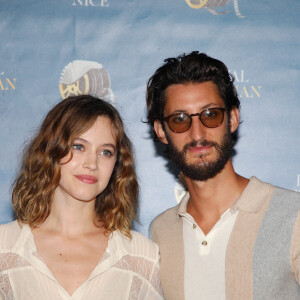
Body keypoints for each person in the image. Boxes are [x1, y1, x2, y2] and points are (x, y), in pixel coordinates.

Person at [146, 51, 300, 300]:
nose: (197, 134)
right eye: (179, 119)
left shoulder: (293, 215)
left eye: (210, 115)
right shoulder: (160, 232)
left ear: (232, 119)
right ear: (161, 132)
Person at [0, 95, 163, 299]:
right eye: (79, 147)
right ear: (50, 150)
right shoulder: (4, 246)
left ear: (117, 164)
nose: (92, 163)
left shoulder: (142, 255)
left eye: (105, 152)